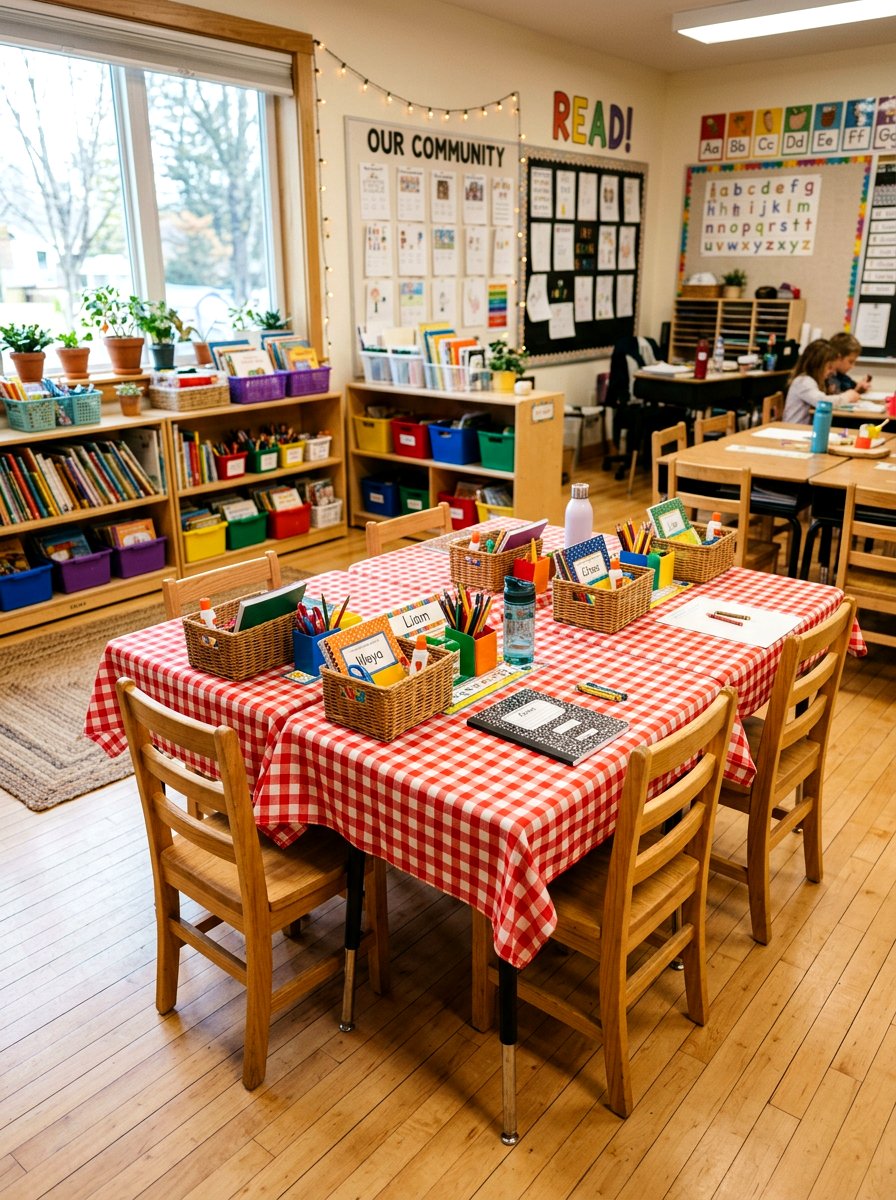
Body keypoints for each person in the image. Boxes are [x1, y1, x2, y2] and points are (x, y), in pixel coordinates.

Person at [782, 338, 839, 423]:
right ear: (816, 365)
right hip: (794, 430)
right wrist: (847, 396)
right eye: (829, 367)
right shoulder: (804, 381)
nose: (833, 372)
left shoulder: (812, 381)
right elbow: (823, 403)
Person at [827, 332, 872, 400]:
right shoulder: (826, 377)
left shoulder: (843, 377)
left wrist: (860, 388)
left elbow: (852, 389)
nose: (852, 366)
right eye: (850, 362)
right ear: (838, 357)